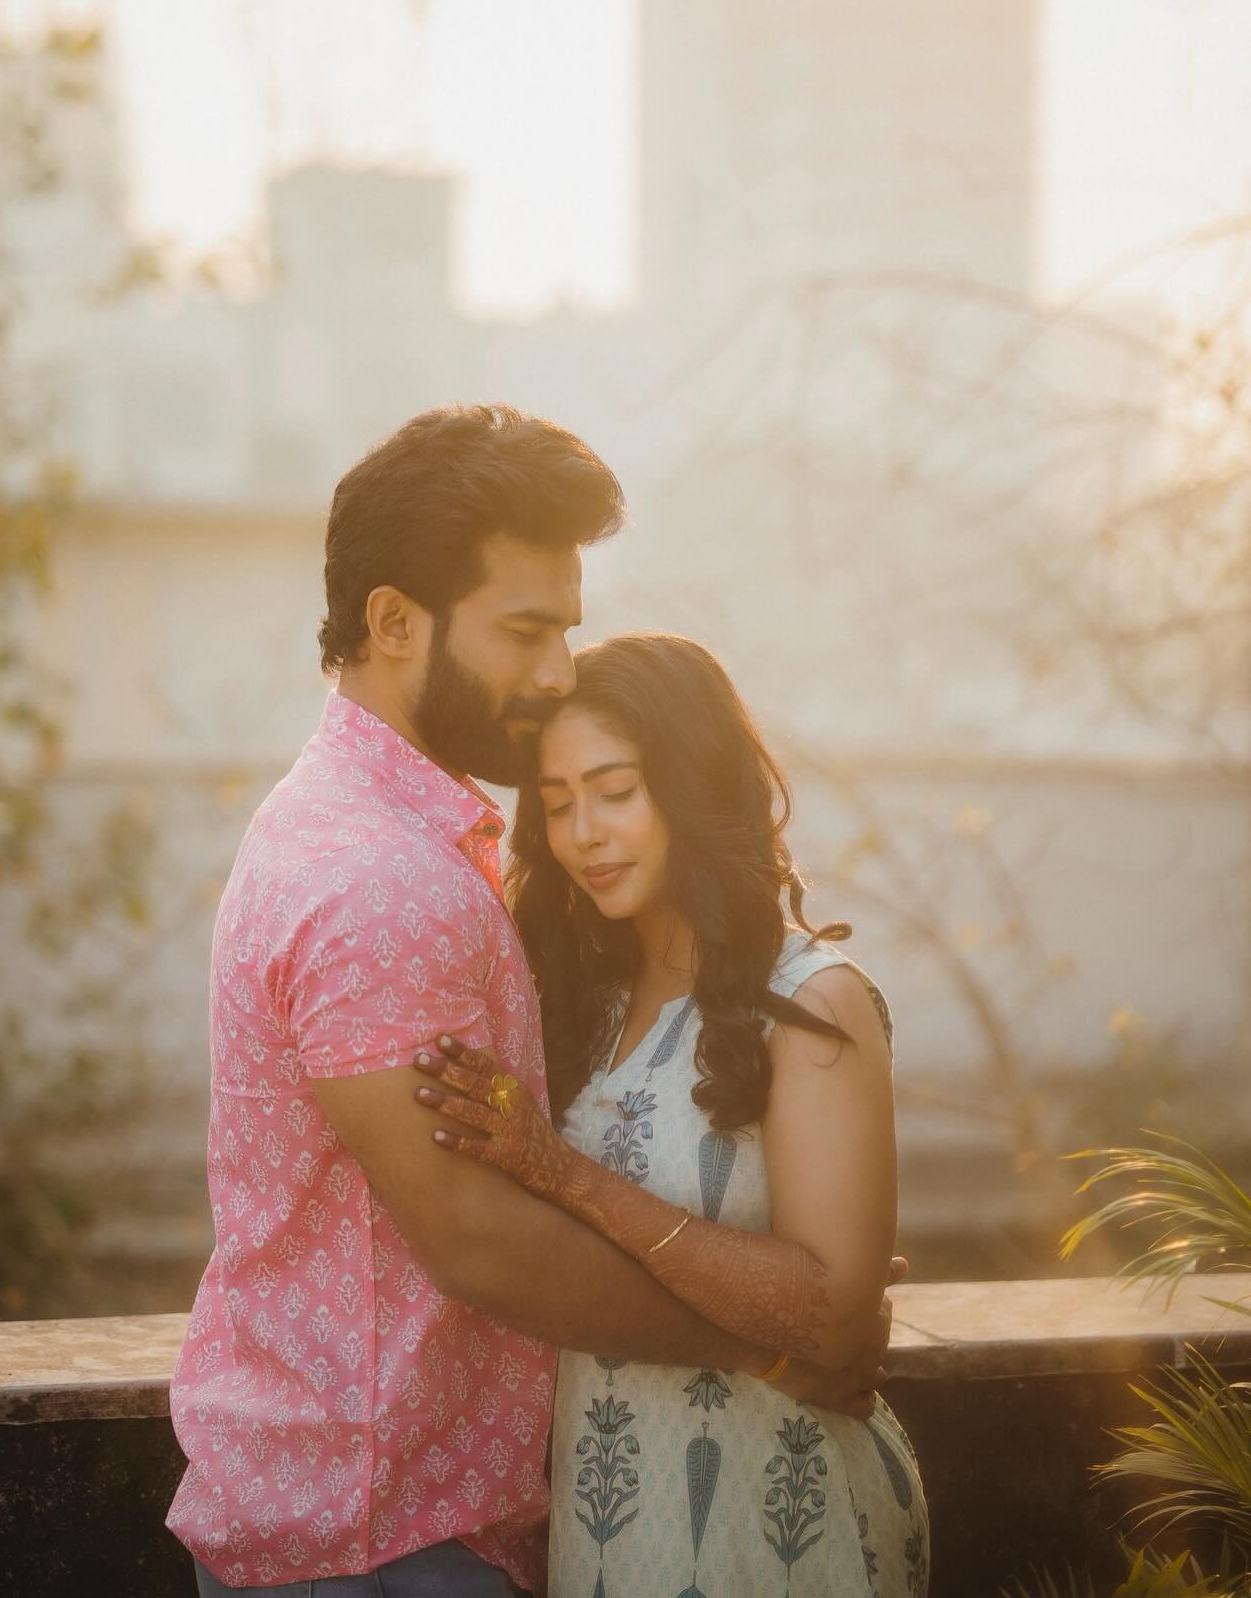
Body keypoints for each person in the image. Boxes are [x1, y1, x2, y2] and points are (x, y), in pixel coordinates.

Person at [167, 406, 896, 1598]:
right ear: (394, 623)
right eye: (525, 630)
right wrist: (776, 1340)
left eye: (568, 627)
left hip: (421, 1522)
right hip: (377, 1536)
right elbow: (474, 1234)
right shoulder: (375, 879)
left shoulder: (405, 839)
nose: (558, 670)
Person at [412, 632, 929, 1597]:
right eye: (558, 804)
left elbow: (830, 1310)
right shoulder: (576, 999)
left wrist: (565, 1175)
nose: (583, 834)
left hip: (780, 1500)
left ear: (693, 785)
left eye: (615, 791)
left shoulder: (814, 1001)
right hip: (609, 1509)